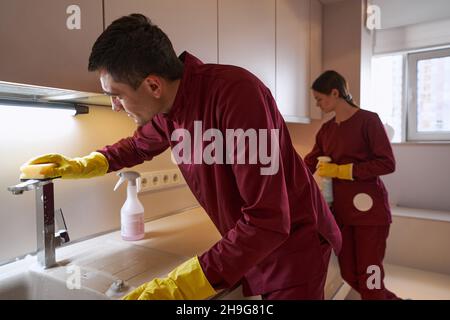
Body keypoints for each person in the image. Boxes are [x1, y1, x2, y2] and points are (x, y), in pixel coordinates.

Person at [19, 14, 342, 300]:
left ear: (152, 85)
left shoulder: (237, 94)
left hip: (294, 249)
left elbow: (269, 221)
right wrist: (80, 165)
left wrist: (179, 288)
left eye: (116, 95)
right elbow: (137, 146)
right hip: (252, 245)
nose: (116, 105)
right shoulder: (170, 109)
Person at [304, 70, 400, 300]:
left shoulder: (369, 120)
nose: (317, 105)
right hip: (342, 214)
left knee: (371, 276)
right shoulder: (327, 130)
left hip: (370, 213)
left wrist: (344, 170)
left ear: (335, 93)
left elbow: (387, 163)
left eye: (319, 99)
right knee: (349, 273)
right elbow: (308, 163)